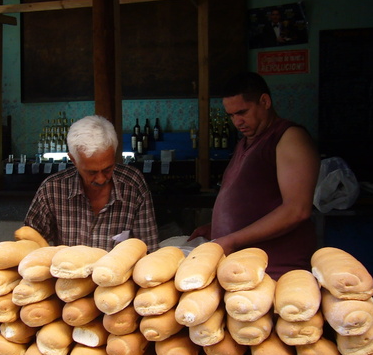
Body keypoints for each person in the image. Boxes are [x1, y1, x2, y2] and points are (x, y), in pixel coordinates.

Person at [189, 72, 319, 278]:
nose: (237, 122)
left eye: (242, 112)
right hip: (242, 268)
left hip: (276, 269)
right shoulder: (245, 142)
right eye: (231, 115)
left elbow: (297, 210)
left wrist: (232, 239)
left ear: (265, 101)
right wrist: (218, 227)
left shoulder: (289, 137)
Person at [24, 115, 158, 252]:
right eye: (91, 172)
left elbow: (148, 248)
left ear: (115, 155)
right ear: (73, 160)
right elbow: (29, 243)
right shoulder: (52, 189)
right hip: (67, 271)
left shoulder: (132, 185)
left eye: (107, 169)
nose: (101, 179)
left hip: (117, 273)